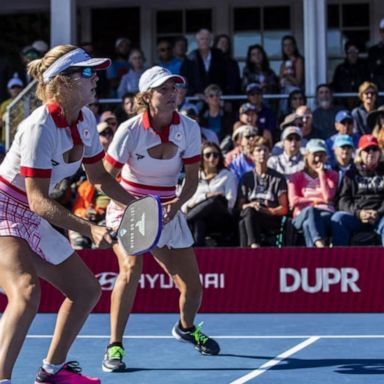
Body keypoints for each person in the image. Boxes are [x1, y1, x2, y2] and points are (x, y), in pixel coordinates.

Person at [0, 45, 137, 384]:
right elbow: (37, 201)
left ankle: (51, 372)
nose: (96, 78)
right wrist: (90, 229)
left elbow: (100, 178)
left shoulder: (87, 118)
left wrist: (139, 206)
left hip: (32, 212)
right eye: (88, 73)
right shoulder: (38, 127)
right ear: (62, 82)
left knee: (86, 291)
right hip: (5, 208)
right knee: (26, 292)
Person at [102, 66, 220, 373]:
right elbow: (103, 179)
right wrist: (136, 208)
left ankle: (185, 327)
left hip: (169, 207)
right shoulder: (129, 131)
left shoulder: (190, 128)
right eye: (163, 90)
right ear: (146, 97)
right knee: (130, 269)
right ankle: (114, 346)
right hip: (126, 206)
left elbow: (192, 180)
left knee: (193, 288)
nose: (172, 95)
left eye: (174, 88)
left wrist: (176, 204)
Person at [331, 135, 384, 246]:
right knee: (338, 218)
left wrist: (378, 212)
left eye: (374, 149)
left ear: (379, 153)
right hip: (358, 216)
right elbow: (343, 200)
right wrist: (359, 213)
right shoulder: (351, 173)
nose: (371, 153)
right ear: (360, 153)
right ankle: (339, 260)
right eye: (367, 150)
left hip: (380, 216)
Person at [182, 142, 238, 246]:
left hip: (220, 217)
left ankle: (184, 221)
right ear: (201, 158)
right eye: (208, 155)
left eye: (215, 155)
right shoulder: (192, 177)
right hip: (198, 215)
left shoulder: (228, 175)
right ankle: (199, 252)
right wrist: (206, 196)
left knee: (214, 201)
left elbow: (230, 202)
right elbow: (185, 205)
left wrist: (211, 198)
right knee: (199, 220)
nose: (212, 158)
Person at [237, 137, 288, 247]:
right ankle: (253, 246)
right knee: (247, 214)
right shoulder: (246, 178)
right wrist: (250, 205)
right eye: (258, 150)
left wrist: (266, 210)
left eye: (265, 150)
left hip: (271, 218)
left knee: (246, 219)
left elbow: (284, 208)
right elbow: (240, 206)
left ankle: (252, 249)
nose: (262, 153)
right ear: (251, 155)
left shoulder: (278, 178)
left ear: (269, 153)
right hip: (251, 215)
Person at [288, 139, 339, 247]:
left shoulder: (332, 175)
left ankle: (314, 253)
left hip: (326, 213)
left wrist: (321, 174)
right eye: (314, 155)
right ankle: (321, 246)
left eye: (321, 155)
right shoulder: (296, 176)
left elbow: (328, 197)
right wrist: (315, 200)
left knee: (309, 224)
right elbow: (293, 201)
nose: (317, 159)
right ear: (306, 156)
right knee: (311, 211)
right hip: (301, 215)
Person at [180, 28, 227, 96]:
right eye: (202, 39)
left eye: (207, 39)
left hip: (216, 98)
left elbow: (225, 77)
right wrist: (193, 93)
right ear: (197, 41)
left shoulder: (219, 56)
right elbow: (184, 80)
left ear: (211, 41)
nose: (205, 41)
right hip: (197, 99)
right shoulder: (190, 58)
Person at [332, 41, 370, 109]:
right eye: (350, 52)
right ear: (346, 53)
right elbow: (336, 86)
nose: (353, 54)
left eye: (355, 51)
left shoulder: (364, 68)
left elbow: (368, 84)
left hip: (361, 103)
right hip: (343, 104)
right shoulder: (340, 69)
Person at [279, 35, 304, 114]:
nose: (287, 48)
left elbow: (298, 82)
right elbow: (280, 83)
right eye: (285, 45)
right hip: (284, 93)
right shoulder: (283, 63)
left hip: (294, 93)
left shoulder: (298, 60)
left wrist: (287, 76)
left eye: (290, 45)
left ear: (294, 46)